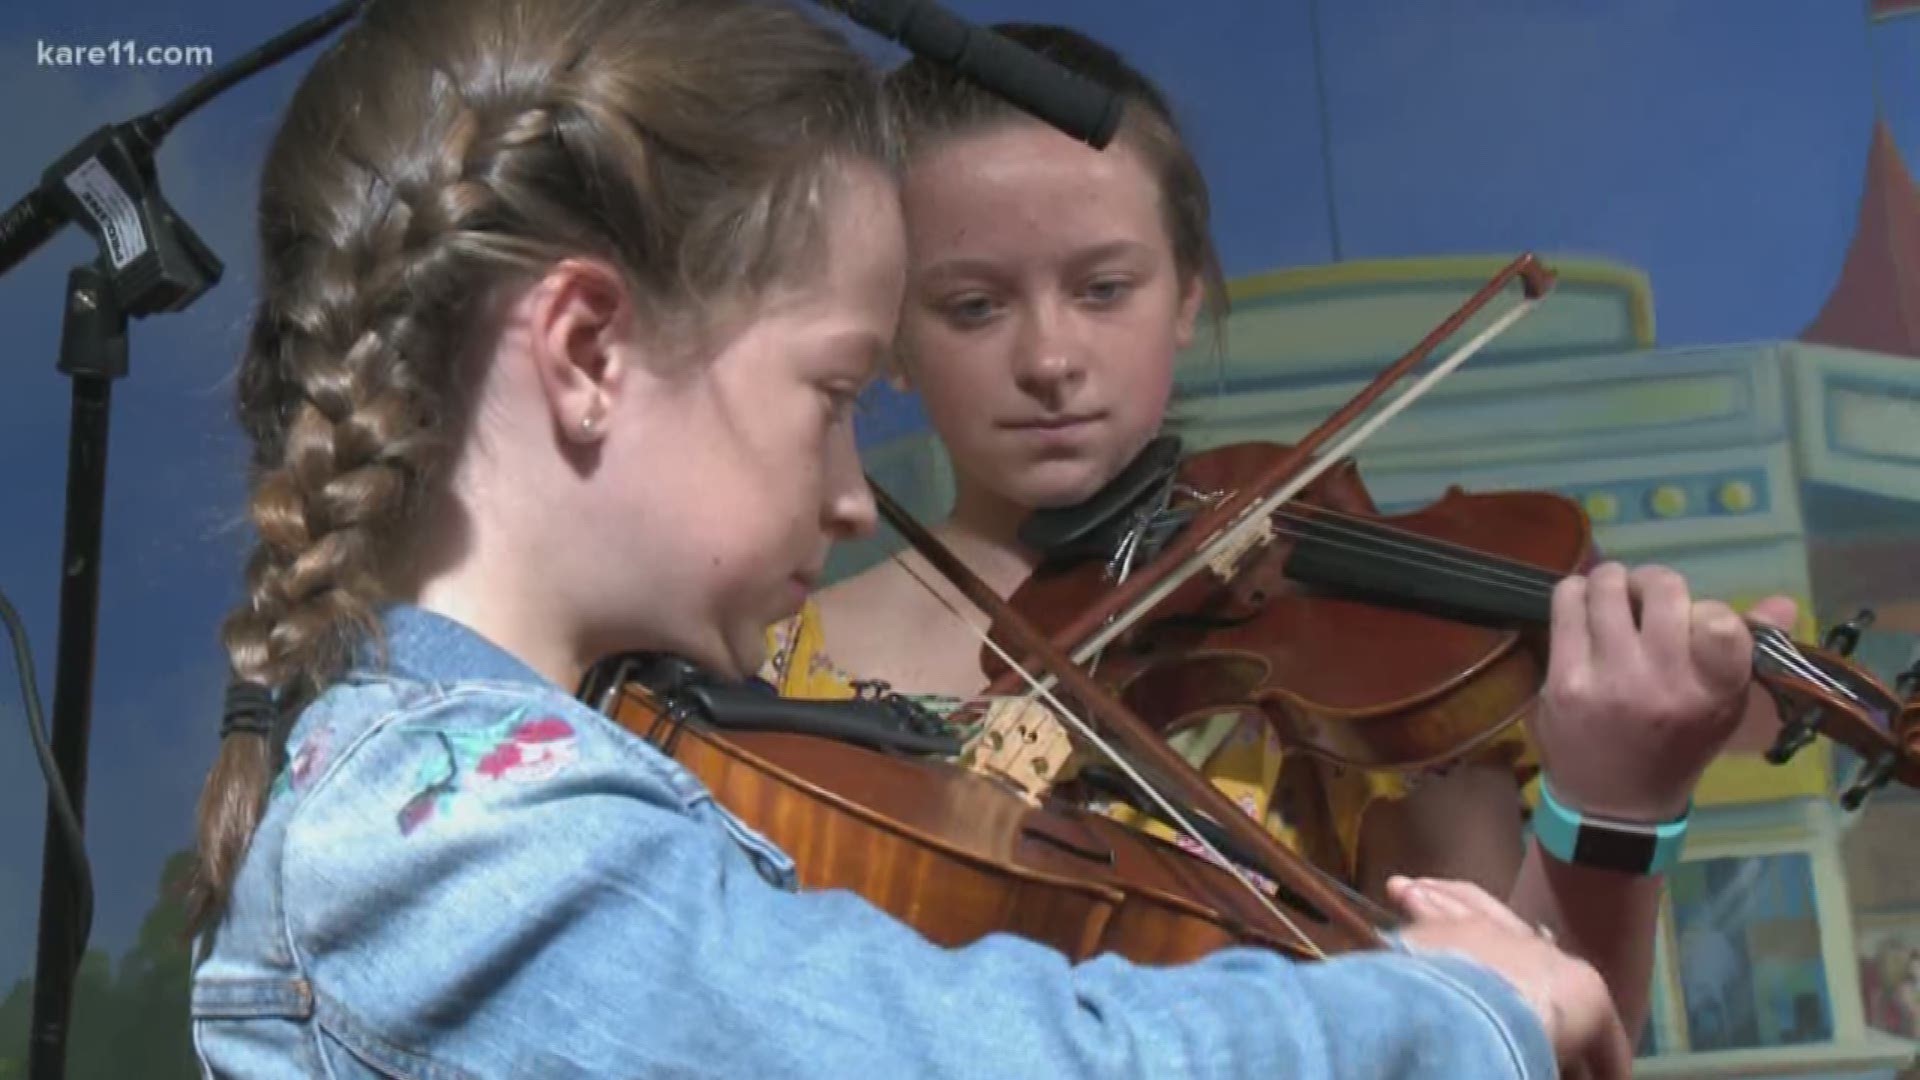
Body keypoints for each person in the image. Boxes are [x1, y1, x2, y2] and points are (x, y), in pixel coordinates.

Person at [184, 0, 1637, 1075]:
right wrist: (1458, 1010)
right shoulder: (463, 847)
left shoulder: (479, 813)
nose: (856, 495)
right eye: (830, 394)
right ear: (584, 352)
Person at [764, 21, 1799, 1042]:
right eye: (975, 305)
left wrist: (1617, 804)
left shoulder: (1361, 670)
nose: (1049, 357)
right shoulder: (773, 682)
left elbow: (1540, 1045)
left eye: (1104, 288)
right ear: (891, 337)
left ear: (1187, 300)